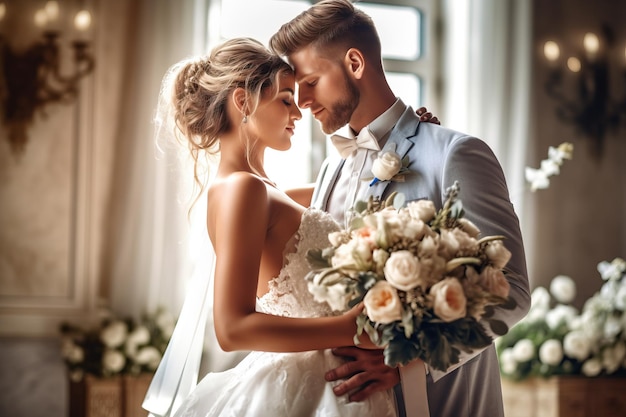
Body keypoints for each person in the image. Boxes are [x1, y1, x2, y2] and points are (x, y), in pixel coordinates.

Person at [143, 37, 441, 417]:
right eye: (285, 99)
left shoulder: (267, 192)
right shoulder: (243, 189)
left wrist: (414, 148)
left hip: (332, 382)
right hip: (307, 388)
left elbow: (364, 193)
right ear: (242, 101)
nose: (298, 112)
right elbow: (232, 328)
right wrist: (351, 329)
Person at [269, 1, 531, 416]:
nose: (301, 100)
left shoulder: (456, 154)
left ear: (354, 62)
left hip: (444, 402)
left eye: (311, 82)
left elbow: (512, 290)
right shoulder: (329, 168)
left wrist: (411, 361)